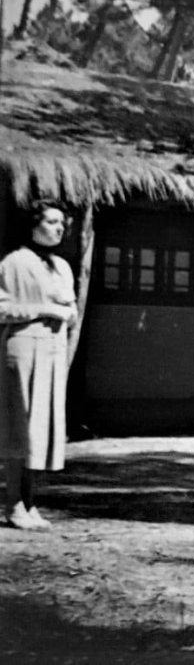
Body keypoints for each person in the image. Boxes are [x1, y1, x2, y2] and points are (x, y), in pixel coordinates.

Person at [1, 202, 77, 530]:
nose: (58, 228)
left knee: (40, 428)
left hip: (52, 351)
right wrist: (45, 308)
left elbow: (70, 308)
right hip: (23, 348)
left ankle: (30, 503)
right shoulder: (13, 262)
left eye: (62, 222)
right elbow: (3, 309)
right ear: (34, 224)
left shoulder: (61, 265)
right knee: (20, 425)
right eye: (51, 221)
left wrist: (65, 312)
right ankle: (14, 504)